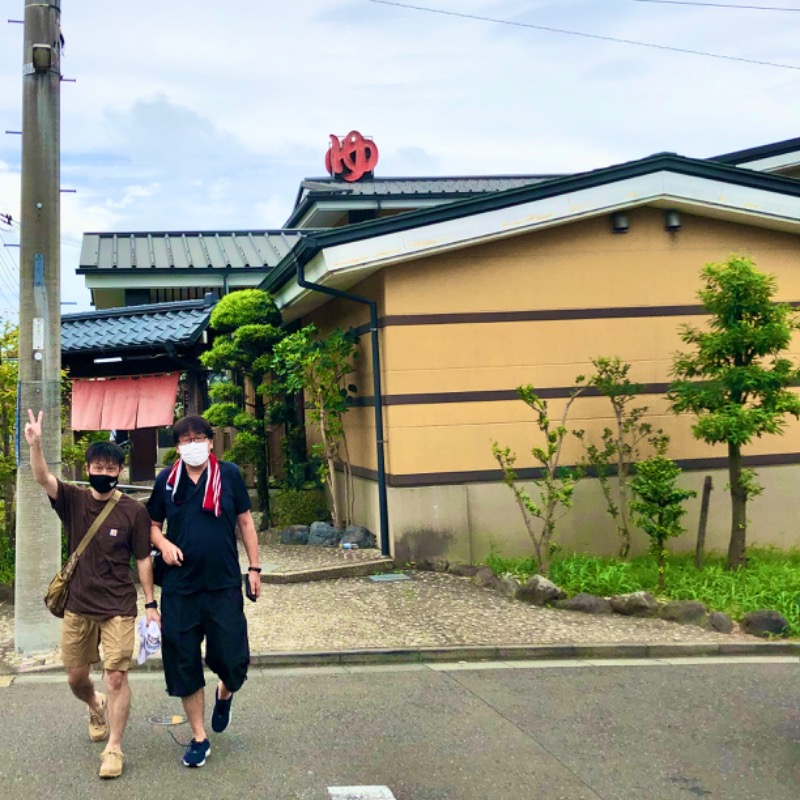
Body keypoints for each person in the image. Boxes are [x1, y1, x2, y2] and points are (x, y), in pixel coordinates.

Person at [24, 409, 159, 780]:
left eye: (111, 468)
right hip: (79, 605)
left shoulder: (134, 512)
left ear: (120, 472)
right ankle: (93, 703)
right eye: (97, 466)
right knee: (75, 678)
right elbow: (42, 477)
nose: (104, 472)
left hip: (118, 605)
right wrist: (35, 445)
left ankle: (114, 746)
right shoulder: (73, 500)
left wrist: (150, 604)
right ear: (87, 469)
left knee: (116, 676)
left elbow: (144, 559)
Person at [147, 415, 261, 768]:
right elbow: (151, 524)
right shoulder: (167, 480)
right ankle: (199, 736)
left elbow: (245, 522)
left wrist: (254, 568)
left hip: (223, 582)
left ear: (211, 442)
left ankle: (224, 692)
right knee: (183, 661)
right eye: (184, 439)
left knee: (233, 659)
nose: (191, 443)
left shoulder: (229, 475)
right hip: (181, 587)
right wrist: (163, 543)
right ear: (177, 446)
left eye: (198, 437)